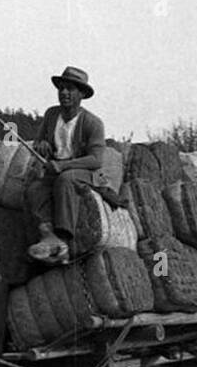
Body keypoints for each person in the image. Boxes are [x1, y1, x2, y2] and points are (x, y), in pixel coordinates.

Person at [24, 66, 123, 263]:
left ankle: (65, 240)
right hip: (56, 169)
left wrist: (63, 166)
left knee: (65, 180)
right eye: (61, 88)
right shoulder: (51, 115)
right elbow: (40, 142)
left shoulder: (92, 123)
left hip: (85, 172)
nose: (64, 93)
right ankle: (48, 235)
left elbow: (95, 160)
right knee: (35, 189)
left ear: (82, 94)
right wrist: (43, 146)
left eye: (70, 89)